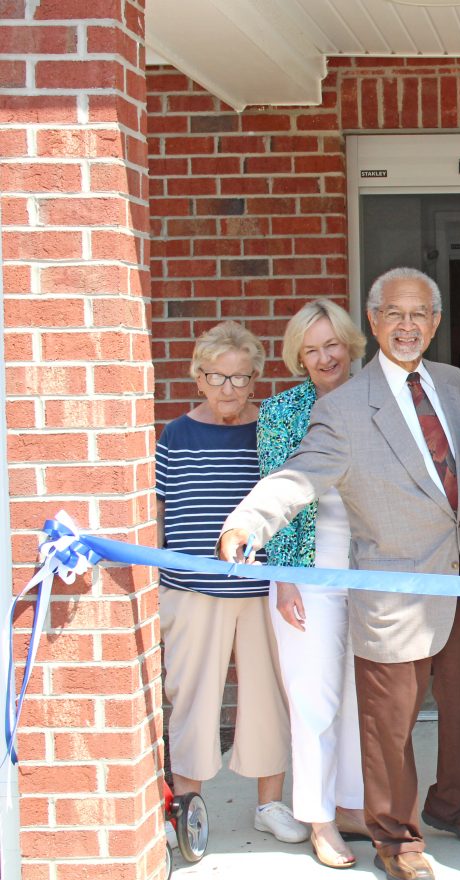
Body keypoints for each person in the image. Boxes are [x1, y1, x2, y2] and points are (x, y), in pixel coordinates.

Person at [218, 267, 460, 880]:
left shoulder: (454, 384)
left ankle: (456, 806)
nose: (407, 325)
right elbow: (299, 476)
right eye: (394, 313)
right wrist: (247, 523)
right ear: (373, 321)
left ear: (436, 322)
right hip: (389, 585)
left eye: (419, 314)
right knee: (389, 726)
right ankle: (397, 841)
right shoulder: (341, 409)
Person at [155, 320, 307, 846]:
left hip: (261, 590)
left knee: (270, 698)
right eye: (217, 377)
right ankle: (186, 807)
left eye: (241, 379)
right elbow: (158, 510)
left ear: (255, 380)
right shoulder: (175, 435)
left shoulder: (267, 430)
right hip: (191, 591)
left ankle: (269, 803)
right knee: (193, 699)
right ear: (198, 378)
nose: (229, 389)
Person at [257, 299, 369, 868]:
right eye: (312, 348)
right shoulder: (282, 413)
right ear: (298, 356)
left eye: (332, 344)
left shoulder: (377, 399)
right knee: (314, 697)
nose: (325, 357)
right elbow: (274, 497)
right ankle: (318, 818)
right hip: (309, 571)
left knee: (358, 697)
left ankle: (350, 805)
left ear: (350, 344)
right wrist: (284, 578)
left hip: (372, 571)